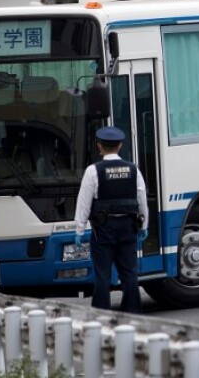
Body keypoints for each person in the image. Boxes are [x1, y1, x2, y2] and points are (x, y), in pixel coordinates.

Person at [74, 127, 149, 312]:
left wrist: (79, 230)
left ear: (99, 146)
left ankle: (101, 314)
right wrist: (144, 225)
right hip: (128, 228)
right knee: (130, 274)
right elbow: (142, 200)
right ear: (120, 146)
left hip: (103, 230)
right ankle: (132, 313)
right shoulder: (133, 169)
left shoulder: (93, 171)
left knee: (102, 275)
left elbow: (83, 202)